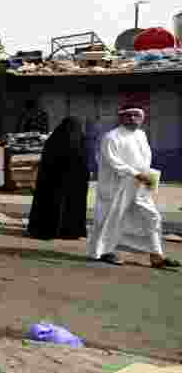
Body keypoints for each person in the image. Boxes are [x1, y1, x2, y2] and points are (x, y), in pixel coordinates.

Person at [87, 106, 180, 268]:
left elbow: (144, 159)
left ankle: (156, 255)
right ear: (121, 118)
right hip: (116, 187)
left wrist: (147, 176)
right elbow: (113, 161)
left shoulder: (141, 135)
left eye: (137, 115)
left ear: (143, 118)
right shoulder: (111, 137)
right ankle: (104, 252)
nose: (132, 118)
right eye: (128, 115)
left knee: (152, 217)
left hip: (140, 184)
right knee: (112, 220)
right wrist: (135, 173)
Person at [27, 116, 89, 240]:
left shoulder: (53, 140)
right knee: (71, 205)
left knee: (52, 204)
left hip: (54, 181)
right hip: (72, 181)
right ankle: (70, 231)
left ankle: (47, 229)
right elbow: (84, 162)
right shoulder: (80, 139)